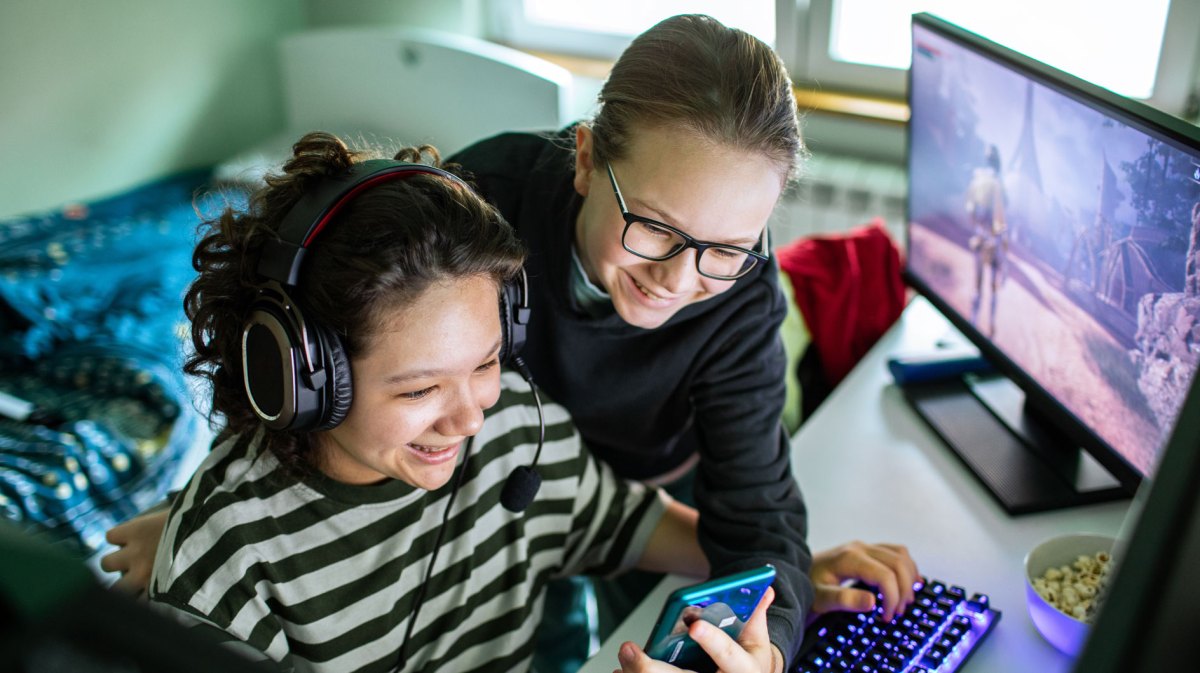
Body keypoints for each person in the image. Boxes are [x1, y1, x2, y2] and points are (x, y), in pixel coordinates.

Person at [106, 14, 922, 672]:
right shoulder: (472, 216)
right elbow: (330, 336)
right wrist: (204, 522)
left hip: (554, 494)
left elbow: (752, 515)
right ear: (585, 158)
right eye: (655, 229)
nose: (680, 280)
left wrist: (771, 606)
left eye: (726, 248)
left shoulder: (715, 301)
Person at [141, 130, 780, 673]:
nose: (470, 417)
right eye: (420, 389)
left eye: (486, 363)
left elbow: (626, 524)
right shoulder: (228, 553)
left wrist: (784, 573)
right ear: (302, 377)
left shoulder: (512, 427)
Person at [965, 144, 1008, 336]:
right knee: (992, 286)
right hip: (991, 240)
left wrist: (978, 231)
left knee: (979, 284)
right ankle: (987, 326)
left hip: (981, 238)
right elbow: (1001, 219)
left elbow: (970, 210)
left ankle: (976, 323)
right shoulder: (996, 184)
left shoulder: (977, 181)